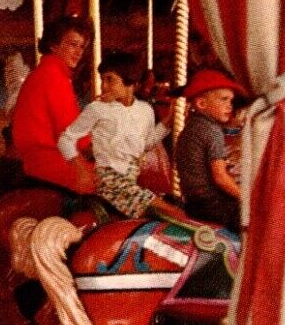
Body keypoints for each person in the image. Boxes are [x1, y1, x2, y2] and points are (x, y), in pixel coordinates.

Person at [54, 51, 188, 222]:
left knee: (172, 209)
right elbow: (65, 139)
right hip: (109, 181)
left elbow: (145, 145)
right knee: (174, 214)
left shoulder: (145, 110)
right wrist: (79, 167)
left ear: (130, 81)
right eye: (102, 79)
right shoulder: (97, 109)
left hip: (131, 180)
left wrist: (167, 123)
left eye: (110, 79)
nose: (103, 86)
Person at [6, 16, 96, 196]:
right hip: (50, 162)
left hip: (40, 160)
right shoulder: (53, 77)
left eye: (82, 46)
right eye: (72, 44)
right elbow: (69, 130)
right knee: (118, 184)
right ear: (54, 45)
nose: (78, 52)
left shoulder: (44, 73)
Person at [175, 68, 245, 232]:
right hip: (213, 204)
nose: (229, 106)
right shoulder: (212, 131)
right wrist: (247, 198)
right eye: (223, 99)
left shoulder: (189, 128)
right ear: (201, 104)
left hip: (193, 203)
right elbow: (220, 177)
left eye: (231, 100)